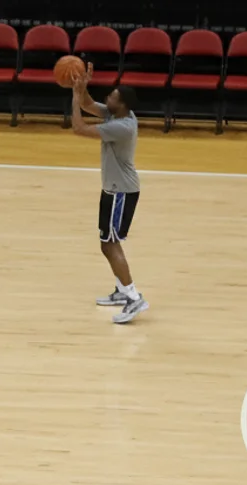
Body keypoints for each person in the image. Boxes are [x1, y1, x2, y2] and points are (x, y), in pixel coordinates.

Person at [71, 64, 149, 323]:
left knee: (110, 244)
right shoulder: (115, 116)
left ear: (123, 104)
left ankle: (133, 297)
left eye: (113, 97)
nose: (108, 99)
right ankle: (121, 290)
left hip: (121, 193)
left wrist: (73, 98)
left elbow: (78, 128)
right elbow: (89, 105)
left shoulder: (123, 127)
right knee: (107, 242)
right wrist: (81, 88)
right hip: (114, 190)